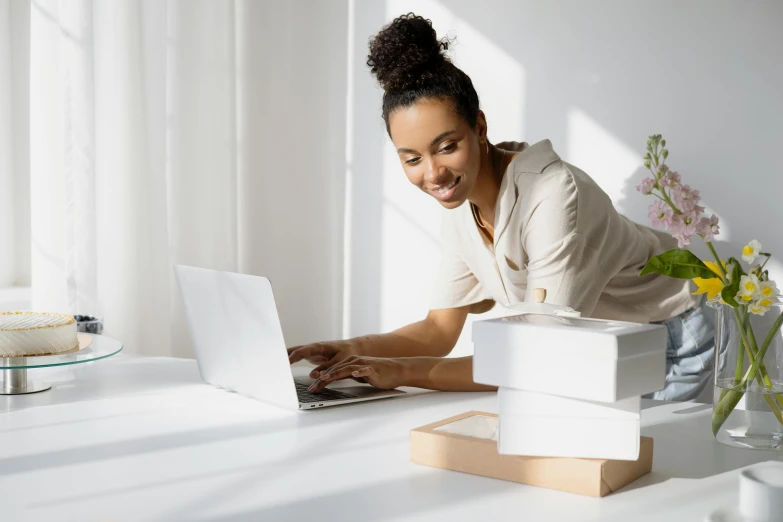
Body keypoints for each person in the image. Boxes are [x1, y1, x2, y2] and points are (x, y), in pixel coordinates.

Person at [288, 13, 714, 401]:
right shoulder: (462, 208)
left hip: (672, 338)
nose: (433, 174)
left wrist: (400, 371)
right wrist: (349, 351)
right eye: (412, 159)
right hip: (599, 343)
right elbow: (438, 330)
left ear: (480, 126)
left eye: (447, 147)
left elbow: (535, 355)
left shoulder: (553, 195)